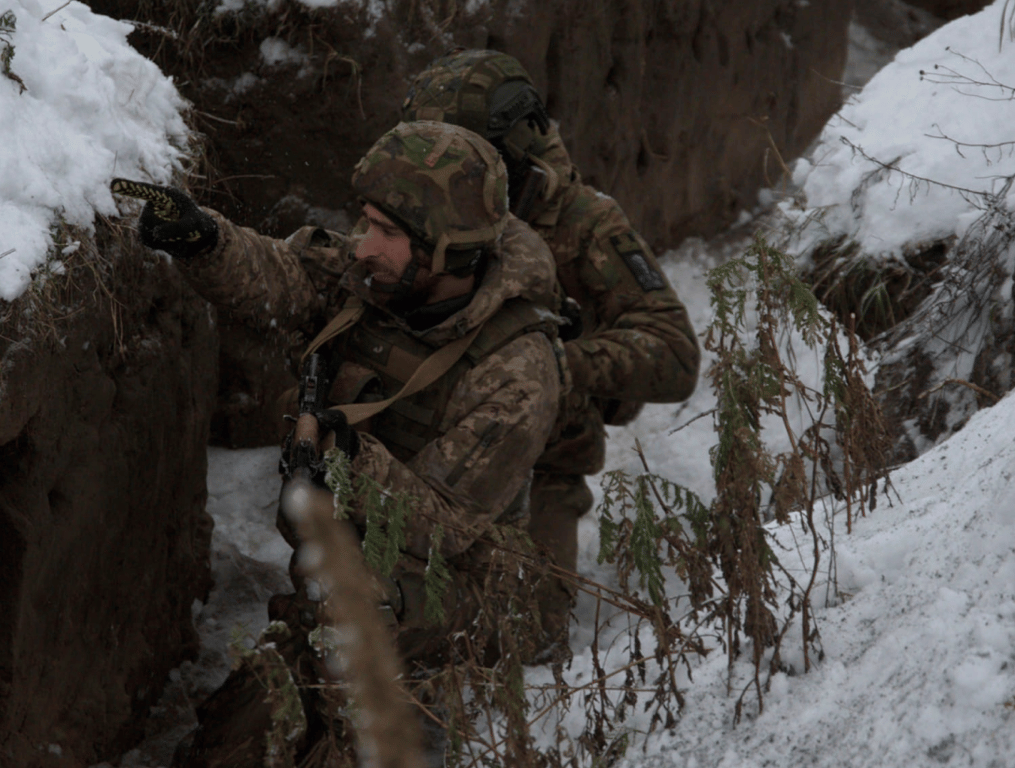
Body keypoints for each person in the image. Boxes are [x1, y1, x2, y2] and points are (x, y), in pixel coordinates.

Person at [112, 119, 566, 766]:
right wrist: (203, 240)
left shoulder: (517, 370)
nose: (362, 246)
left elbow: (447, 529)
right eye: (365, 223)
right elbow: (279, 278)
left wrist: (350, 458)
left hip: (457, 585)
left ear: (448, 253)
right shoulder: (377, 277)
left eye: (386, 233)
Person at [401, 49, 701, 644]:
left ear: (510, 148)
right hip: (425, 452)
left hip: (541, 466)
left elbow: (674, 356)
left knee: (520, 636)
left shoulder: (585, 224)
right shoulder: (425, 202)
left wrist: (551, 365)